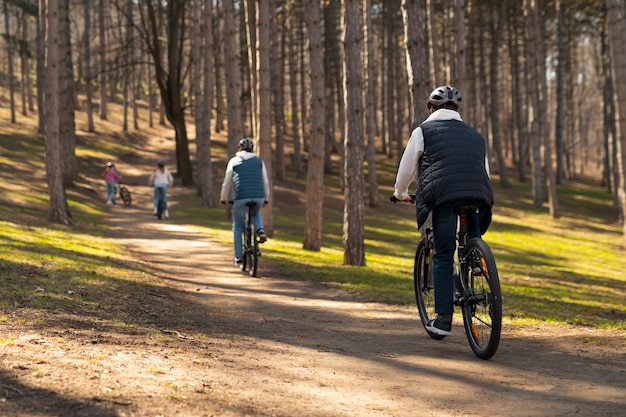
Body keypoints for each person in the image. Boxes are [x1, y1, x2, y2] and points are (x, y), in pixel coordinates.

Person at [392, 85, 494, 336]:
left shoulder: (423, 130)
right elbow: (485, 171)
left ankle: (443, 321)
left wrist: (401, 194)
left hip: (444, 197)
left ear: (430, 109)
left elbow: (407, 168)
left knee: (443, 253)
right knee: (471, 234)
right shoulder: (474, 134)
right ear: (457, 110)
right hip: (477, 193)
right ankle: (477, 256)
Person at [220, 137, 270, 265]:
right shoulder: (259, 161)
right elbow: (265, 181)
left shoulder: (234, 161)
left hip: (241, 197)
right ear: (252, 149)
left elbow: (227, 182)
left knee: (237, 225)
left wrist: (223, 198)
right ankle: (260, 230)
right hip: (258, 196)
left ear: (239, 148)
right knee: (256, 213)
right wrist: (266, 197)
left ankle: (238, 256)